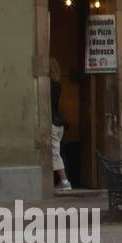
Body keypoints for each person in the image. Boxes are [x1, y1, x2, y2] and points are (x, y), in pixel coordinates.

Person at [50, 57, 71, 193]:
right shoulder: (57, 84)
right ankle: (61, 181)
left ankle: (64, 181)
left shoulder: (50, 85)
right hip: (59, 123)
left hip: (52, 122)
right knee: (54, 151)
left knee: (54, 153)